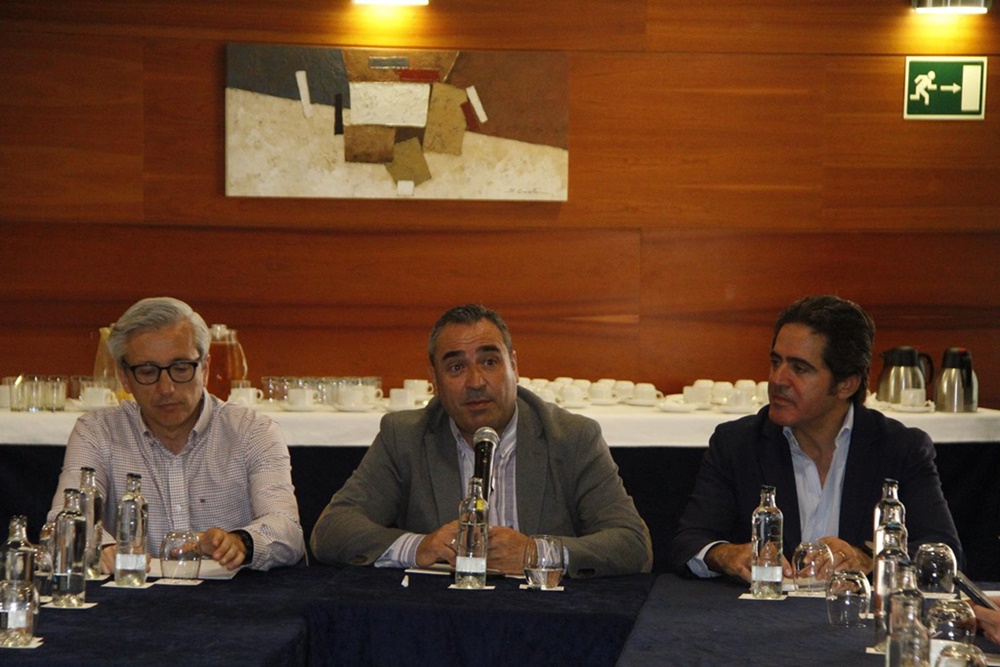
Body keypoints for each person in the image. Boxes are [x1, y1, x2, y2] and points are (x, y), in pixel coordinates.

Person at [310, 304, 652, 577]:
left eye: (489, 362)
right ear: (434, 380)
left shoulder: (572, 437)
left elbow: (633, 544)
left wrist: (537, 552)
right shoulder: (405, 437)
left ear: (514, 366)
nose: (475, 382)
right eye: (456, 368)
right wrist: (419, 547)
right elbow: (331, 531)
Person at [669, 295, 962, 581]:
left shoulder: (900, 448)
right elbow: (689, 542)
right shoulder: (738, 443)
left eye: (799, 368)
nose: (778, 379)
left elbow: (944, 551)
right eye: (776, 362)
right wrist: (727, 555)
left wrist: (868, 557)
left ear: (846, 384)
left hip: (855, 611)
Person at [47, 297, 305, 571]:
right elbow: (65, 518)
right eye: (148, 372)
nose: (166, 388)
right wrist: (102, 549)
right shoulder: (98, 431)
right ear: (124, 378)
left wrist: (241, 542)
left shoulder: (252, 431)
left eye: (181, 369)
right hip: (133, 590)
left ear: (205, 368)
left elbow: (287, 530)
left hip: (233, 592)